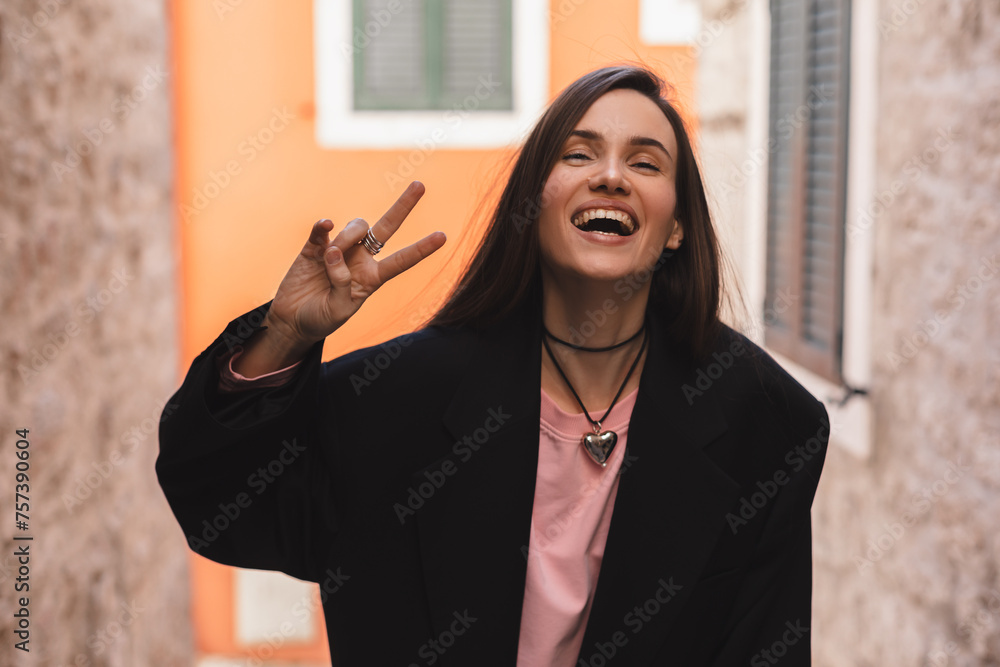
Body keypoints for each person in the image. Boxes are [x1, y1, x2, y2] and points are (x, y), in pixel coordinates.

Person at [157, 65, 829, 666]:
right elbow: (220, 510)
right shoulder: (392, 402)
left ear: (677, 225)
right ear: (530, 207)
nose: (612, 176)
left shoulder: (768, 425)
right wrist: (281, 337)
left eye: (647, 164)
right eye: (579, 153)